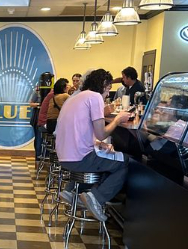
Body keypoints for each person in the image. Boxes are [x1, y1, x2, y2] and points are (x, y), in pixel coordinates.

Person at [55, 69, 131, 221]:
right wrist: (118, 120)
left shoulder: (74, 98)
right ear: (103, 85)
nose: (108, 94)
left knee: (107, 160)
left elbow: (78, 130)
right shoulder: (95, 96)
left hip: (64, 156)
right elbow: (102, 133)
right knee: (124, 162)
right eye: (108, 88)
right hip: (79, 158)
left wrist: (97, 143)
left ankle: (73, 190)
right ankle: (96, 197)